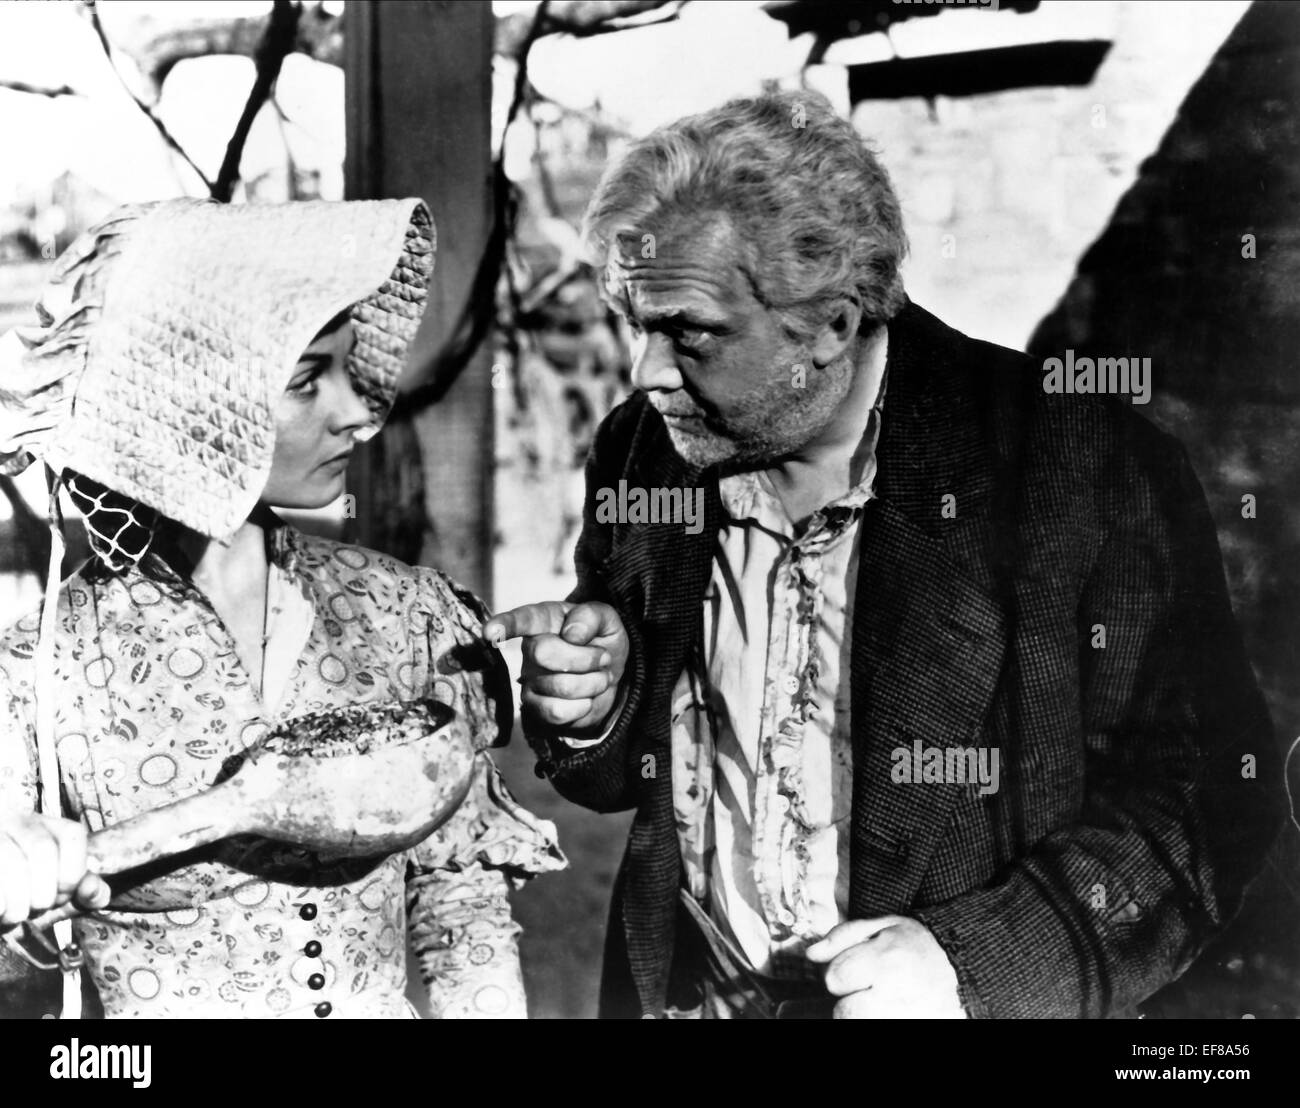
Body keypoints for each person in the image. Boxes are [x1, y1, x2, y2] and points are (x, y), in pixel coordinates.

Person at [485, 91, 1285, 1019]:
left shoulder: (1079, 466)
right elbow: (625, 773)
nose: (646, 373)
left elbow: (1210, 798)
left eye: (690, 333)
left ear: (833, 323)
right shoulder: (647, 446)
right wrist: (593, 705)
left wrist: (972, 967)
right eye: (636, 323)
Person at [0, 197, 563, 1019]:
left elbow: (457, 893)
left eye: (345, 367)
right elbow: (18, 973)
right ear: (181, 408)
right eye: (308, 380)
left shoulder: (402, 611)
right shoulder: (38, 675)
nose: (359, 413)